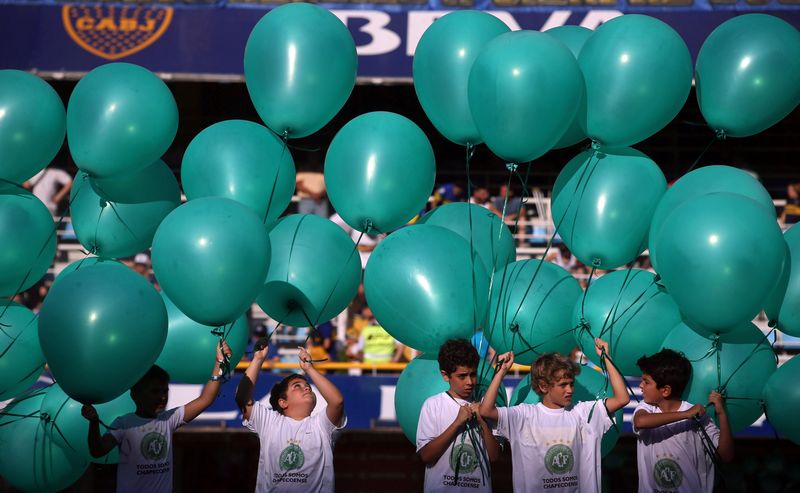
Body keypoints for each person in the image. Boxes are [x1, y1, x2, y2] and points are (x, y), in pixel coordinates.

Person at [81, 341, 232, 493]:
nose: (162, 397)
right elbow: (97, 450)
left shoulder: (169, 419)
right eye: (155, 391)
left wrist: (218, 362)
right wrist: (93, 423)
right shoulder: (124, 423)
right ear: (136, 395)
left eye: (164, 391)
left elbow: (206, 399)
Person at [480, 339, 630, 492]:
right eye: (563, 385)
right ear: (543, 386)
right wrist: (501, 372)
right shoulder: (524, 415)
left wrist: (606, 358)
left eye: (571, 383)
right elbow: (486, 410)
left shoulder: (585, 412)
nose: (570, 390)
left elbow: (622, 398)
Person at [236, 345, 345, 492]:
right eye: (297, 386)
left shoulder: (321, 425)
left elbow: (337, 402)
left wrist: (310, 369)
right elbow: (242, 397)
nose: (307, 388)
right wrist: (257, 359)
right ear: (283, 402)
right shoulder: (269, 422)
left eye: (308, 386)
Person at [633, 349, 734, 492]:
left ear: (665, 390)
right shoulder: (647, 408)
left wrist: (721, 413)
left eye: (646, 382)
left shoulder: (699, 416)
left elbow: (726, 455)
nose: (641, 386)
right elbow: (640, 422)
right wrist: (685, 415)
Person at [417, 339, 501, 492]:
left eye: (473, 374)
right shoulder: (433, 405)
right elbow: (426, 456)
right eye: (462, 376)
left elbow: (494, 456)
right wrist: (457, 423)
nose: (469, 382)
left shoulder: (486, 406)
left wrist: (482, 421)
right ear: (445, 375)